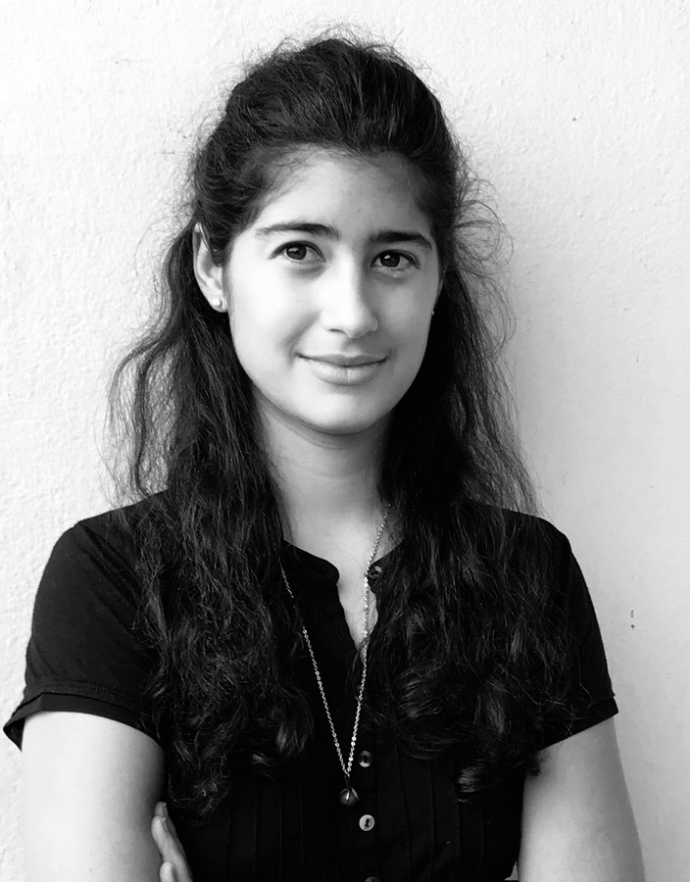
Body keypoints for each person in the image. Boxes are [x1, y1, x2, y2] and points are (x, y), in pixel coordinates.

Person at [5, 34, 645, 882]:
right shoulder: (112, 580)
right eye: (300, 250)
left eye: (392, 258)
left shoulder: (528, 573)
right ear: (213, 266)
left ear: (439, 279)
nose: (352, 313)